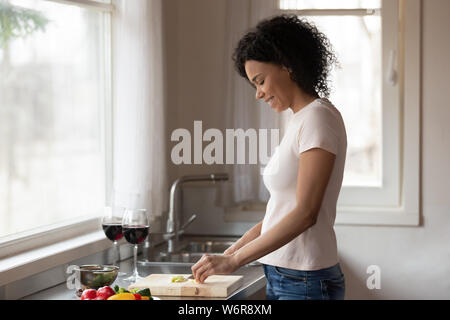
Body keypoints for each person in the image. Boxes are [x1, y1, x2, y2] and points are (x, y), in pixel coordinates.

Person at [191, 14, 347, 300]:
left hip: (304, 280)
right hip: (285, 276)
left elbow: (305, 214)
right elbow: (281, 212)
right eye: (254, 85)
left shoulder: (318, 119)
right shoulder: (301, 119)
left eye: (260, 81)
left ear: (287, 64)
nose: (258, 94)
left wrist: (234, 261)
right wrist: (229, 253)